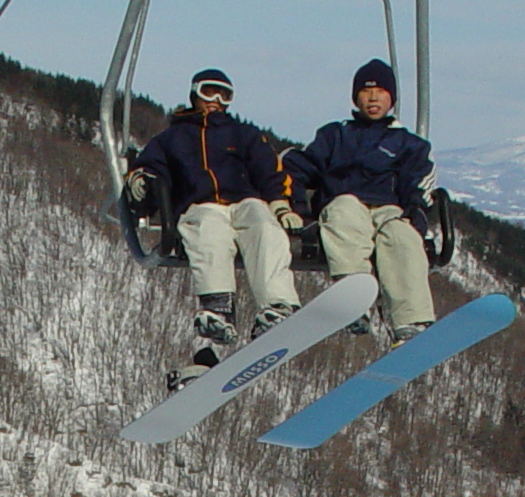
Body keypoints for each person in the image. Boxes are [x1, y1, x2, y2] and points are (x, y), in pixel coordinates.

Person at [125, 67, 298, 380]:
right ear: (195, 93)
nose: (216, 100)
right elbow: (149, 166)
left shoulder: (243, 135)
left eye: (225, 94)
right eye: (209, 92)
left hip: (244, 201)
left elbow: (270, 172)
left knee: (263, 224)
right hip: (200, 203)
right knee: (209, 228)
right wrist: (139, 181)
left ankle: (277, 304)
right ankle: (218, 306)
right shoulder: (172, 138)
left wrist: (281, 205)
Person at [281, 58, 437, 345]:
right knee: (346, 213)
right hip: (344, 202)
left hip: (388, 208)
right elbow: (295, 167)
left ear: (392, 98)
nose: (373, 97)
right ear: (356, 98)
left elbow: (419, 181)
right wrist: (299, 210)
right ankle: (355, 299)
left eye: (380, 91)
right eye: (366, 92)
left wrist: (414, 212)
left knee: (400, 236)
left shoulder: (407, 144)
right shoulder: (336, 135)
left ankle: (411, 320)